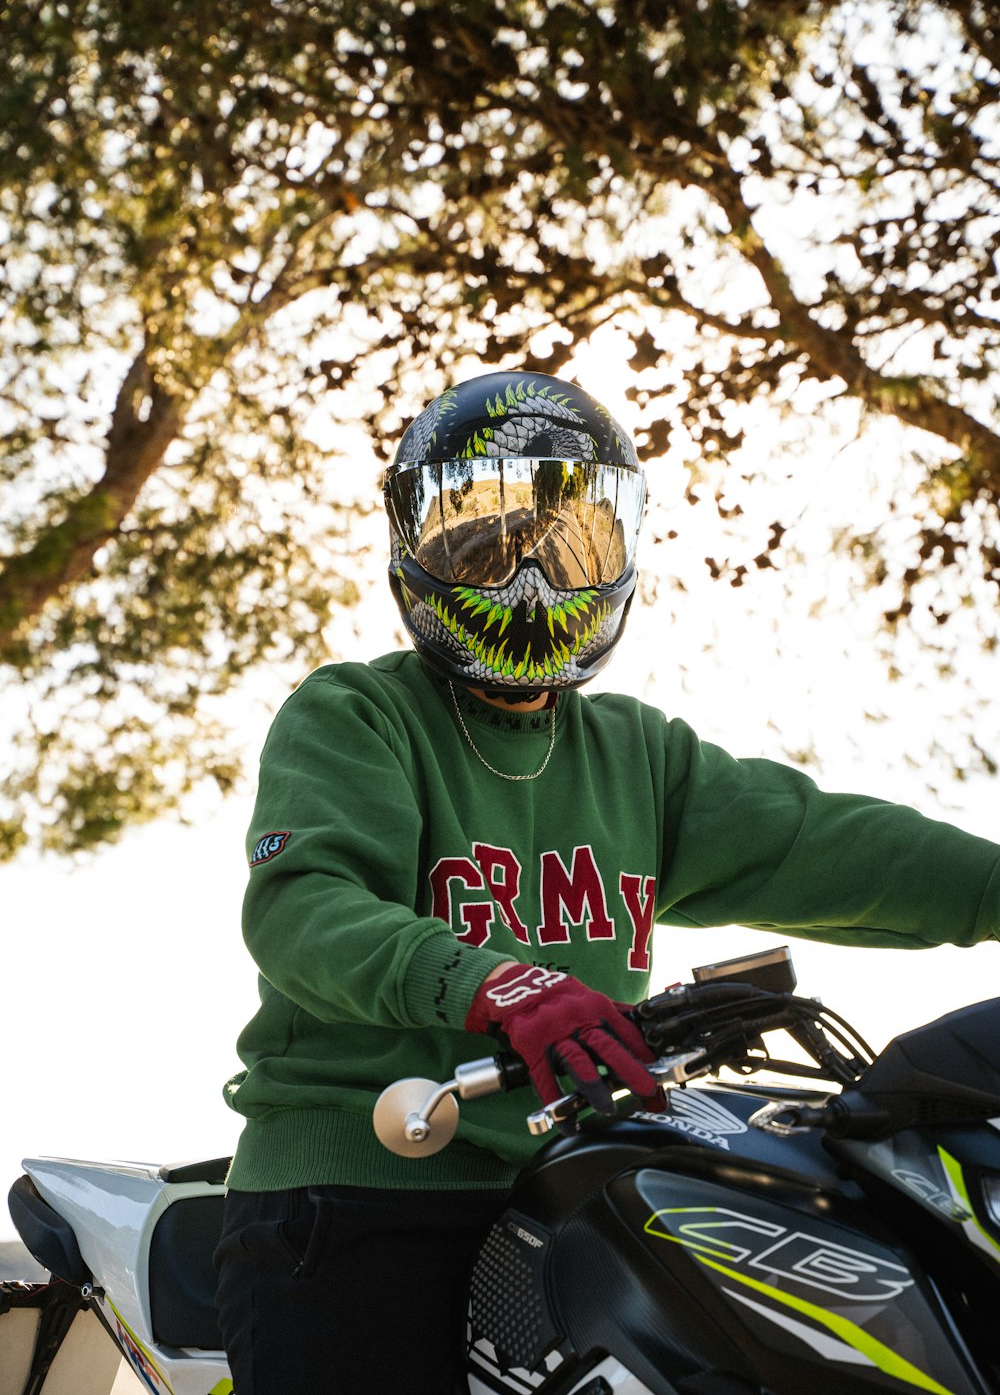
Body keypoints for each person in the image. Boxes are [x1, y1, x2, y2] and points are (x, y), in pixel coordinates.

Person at [213, 370, 999, 1394]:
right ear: (415, 541)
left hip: (568, 1182)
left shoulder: (638, 754)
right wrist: (496, 981)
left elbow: (836, 846)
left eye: (567, 536)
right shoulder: (357, 715)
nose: (528, 571)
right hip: (359, 1194)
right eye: (482, 535)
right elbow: (305, 906)